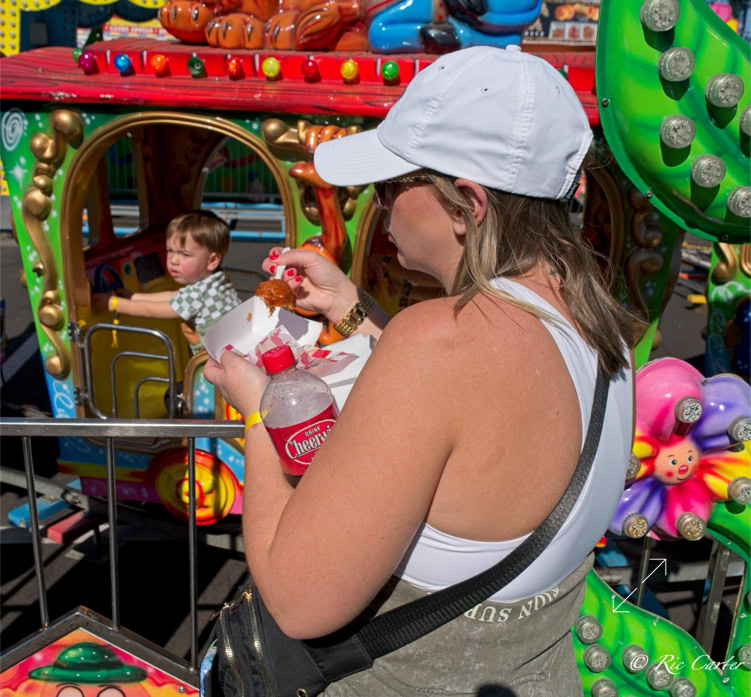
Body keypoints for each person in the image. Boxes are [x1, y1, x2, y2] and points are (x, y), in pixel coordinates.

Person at [204, 45, 635, 696]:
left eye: (389, 186)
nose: (378, 206)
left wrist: (263, 408)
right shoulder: (601, 326)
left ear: (466, 204)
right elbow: (484, 407)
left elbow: (297, 600)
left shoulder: (438, 342)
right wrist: (352, 309)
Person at [106, 210, 241, 354]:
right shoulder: (216, 279)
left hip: (215, 358)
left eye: (185, 254)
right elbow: (175, 296)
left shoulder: (197, 294)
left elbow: (150, 310)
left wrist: (113, 303)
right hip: (236, 344)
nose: (173, 260)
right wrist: (132, 296)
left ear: (212, 260)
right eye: (170, 250)